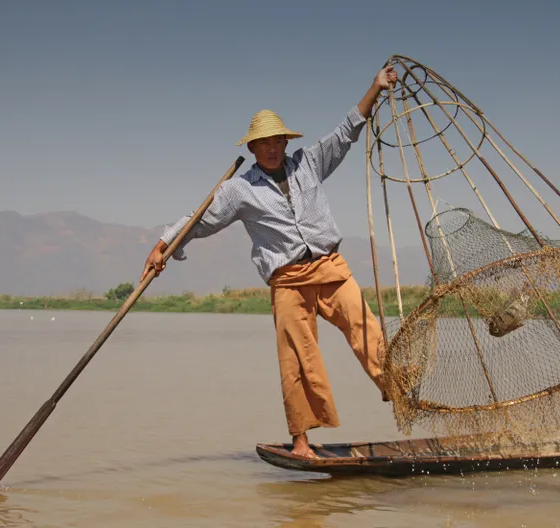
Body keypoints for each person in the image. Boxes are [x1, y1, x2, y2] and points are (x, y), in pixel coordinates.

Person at [140, 65, 398, 458]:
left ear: (285, 141)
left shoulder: (309, 163)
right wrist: (163, 244)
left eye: (278, 140)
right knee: (297, 359)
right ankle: (301, 443)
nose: (273, 148)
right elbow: (200, 218)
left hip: (330, 268)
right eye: (265, 143)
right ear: (253, 150)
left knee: (367, 328)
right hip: (288, 279)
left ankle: (399, 391)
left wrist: (375, 88)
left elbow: (347, 131)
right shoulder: (239, 190)